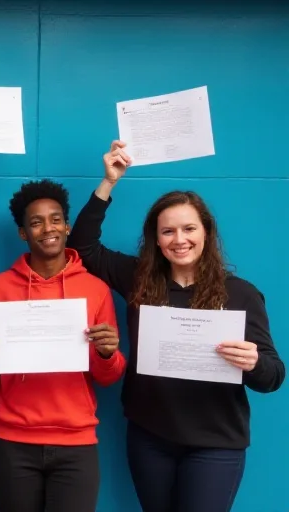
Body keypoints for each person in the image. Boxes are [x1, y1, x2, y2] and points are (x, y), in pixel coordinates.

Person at [67, 140, 285, 512]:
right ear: (156, 238)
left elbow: (273, 377)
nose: (179, 240)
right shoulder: (138, 278)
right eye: (168, 231)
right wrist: (108, 182)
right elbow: (82, 248)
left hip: (216, 442)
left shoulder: (241, 294)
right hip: (149, 437)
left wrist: (254, 363)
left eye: (189, 229)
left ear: (206, 232)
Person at [0, 179, 126, 512]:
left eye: (55, 219)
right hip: (12, 440)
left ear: (67, 226)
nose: (48, 228)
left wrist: (107, 354)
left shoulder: (96, 289)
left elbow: (108, 377)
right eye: (36, 222)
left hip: (76, 441)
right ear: (23, 233)